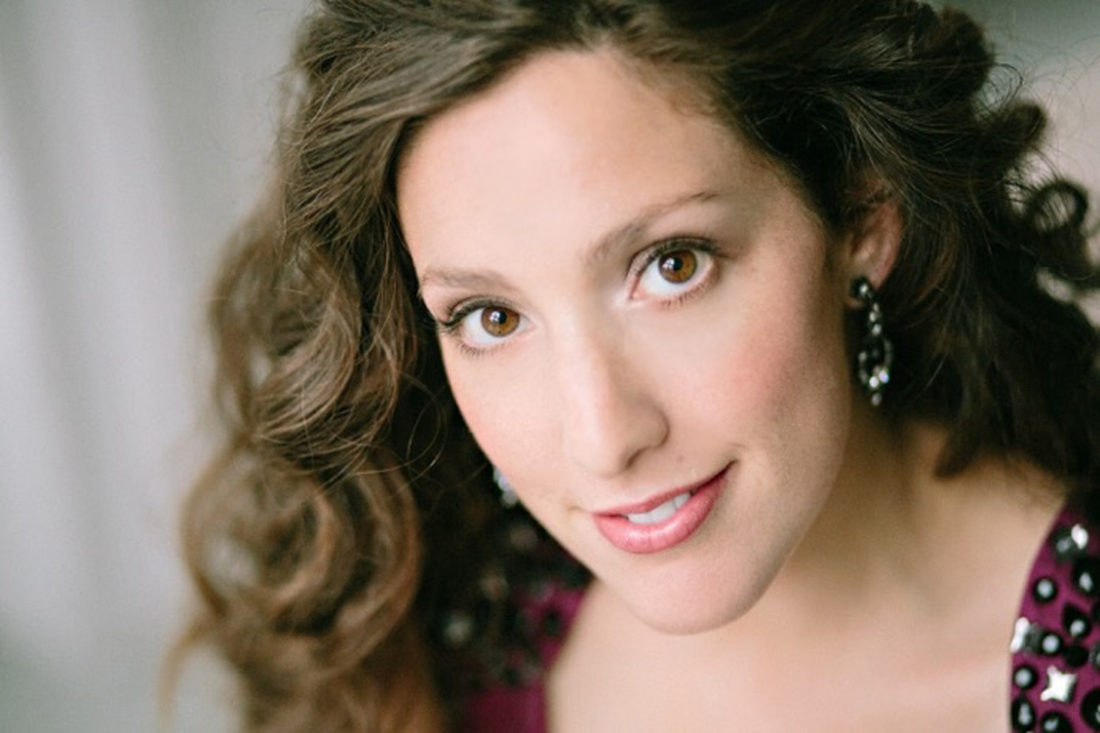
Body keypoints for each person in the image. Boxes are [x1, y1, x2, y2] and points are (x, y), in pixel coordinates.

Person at [176, 0, 1100, 730]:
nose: (603, 437)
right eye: (491, 317)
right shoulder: (448, 639)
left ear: (861, 218)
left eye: (672, 266)